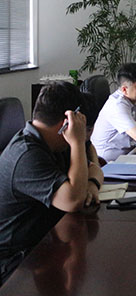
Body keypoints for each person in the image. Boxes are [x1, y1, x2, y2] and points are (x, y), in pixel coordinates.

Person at [0, 82, 104, 285]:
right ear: (67, 123)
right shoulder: (27, 155)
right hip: (16, 263)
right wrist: (77, 142)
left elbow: (94, 168)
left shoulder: (54, 143)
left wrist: (91, 184)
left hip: (45, 241)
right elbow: (73, 201)